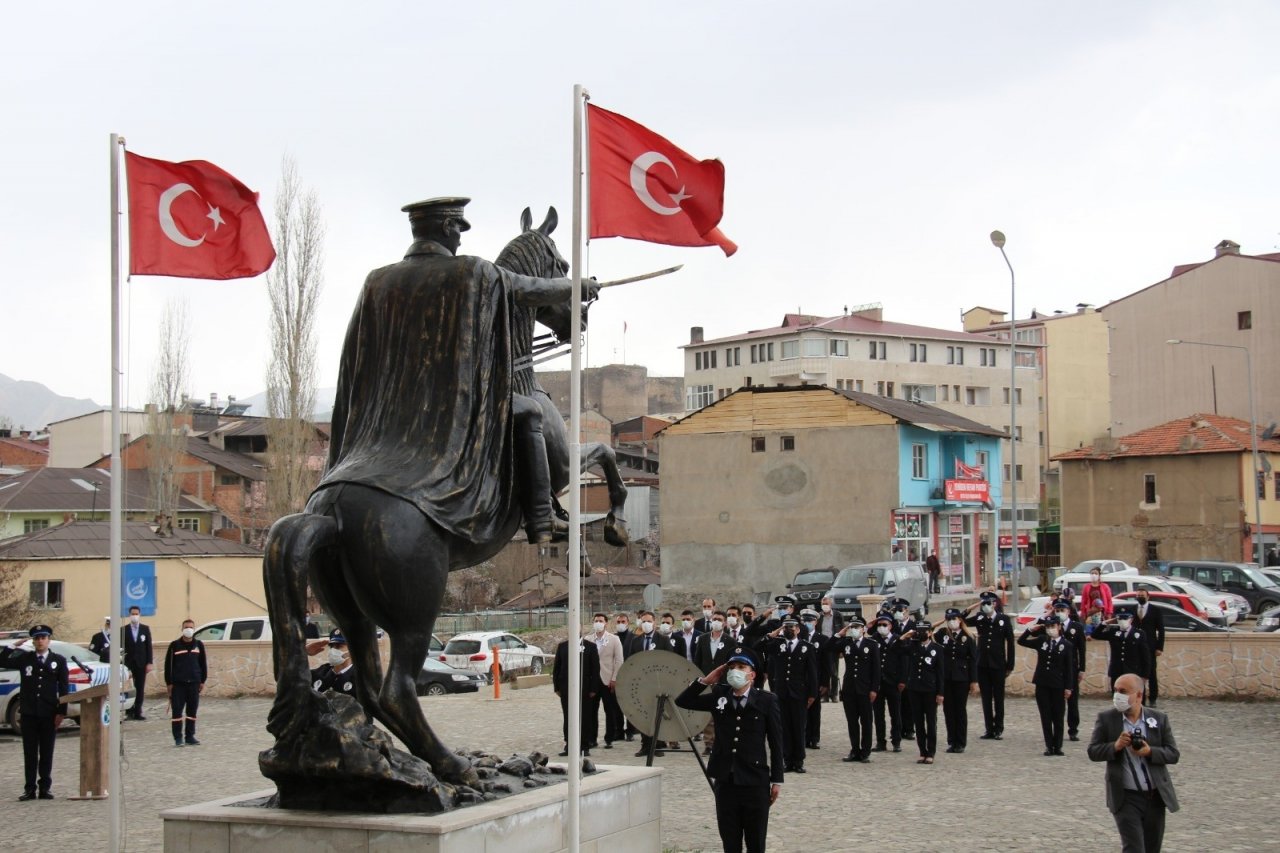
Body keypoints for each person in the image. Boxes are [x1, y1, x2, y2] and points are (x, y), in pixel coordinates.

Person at [675, 646, 784, 853]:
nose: (735, 671)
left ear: (752, 674)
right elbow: (683, 701)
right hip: (725, 780)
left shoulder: (767, 700)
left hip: (754, 781)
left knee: (756, 841)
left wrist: (777, 780)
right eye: (732, 667)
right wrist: (706, 682)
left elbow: (777, 742)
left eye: (741, 667)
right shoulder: (719, 695)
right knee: (730, 841)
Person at [1087, 673, 1180, 852]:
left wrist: (1150, 751)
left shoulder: (1158, 719)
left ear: (1138, 695)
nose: (1117, 695)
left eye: (1123, 691)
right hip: (1126, 797)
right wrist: (1115, 746)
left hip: (1155, 797)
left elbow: (1173, 753)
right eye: (1115, 690)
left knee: (1152, 848)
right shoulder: (1107, 719)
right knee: (1134, 848)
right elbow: (1093, 751)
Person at [12, 625, 68, 800]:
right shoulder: (25, 659)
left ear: (49, 639)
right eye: (37, 638)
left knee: (46, 752)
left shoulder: (58, 660)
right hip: (29, 713)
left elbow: (64, 688)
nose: (40, 641)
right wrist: (14, 646)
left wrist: (61, 712)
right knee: (30, 752)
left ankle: (45, 787)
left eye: (43, 637)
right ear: (33, 641)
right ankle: (29, 788)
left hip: (48, 713)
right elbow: (2, 660)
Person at [761, 616, 818, 772]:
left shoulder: (807, 647)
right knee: (784, 728)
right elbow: (758, 646)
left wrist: (812, 694)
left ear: (798, 629)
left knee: (799, 727)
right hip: (781, 692)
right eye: (785, 628)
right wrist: (775, 633)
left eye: (791, 627)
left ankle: (798, 761)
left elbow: (812, 673)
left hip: (799, 693)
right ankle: (787, 760)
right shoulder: (777, 644)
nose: (788, 630)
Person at [1018, 614, 1077, 756]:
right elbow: (1021, 641)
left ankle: (1058, 746)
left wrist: (1069, 687)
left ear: (1059, 627)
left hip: (1058, 684)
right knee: (1046, 716)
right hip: (1042, 683)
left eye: (1053, 626)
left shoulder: (1067, 645)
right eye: (1048, 626)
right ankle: (1049, 746)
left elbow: (1069, 668)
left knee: (1058, 716)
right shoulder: (1041, 640)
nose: (1050, 629)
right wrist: (1030, 630)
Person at [965, 591, 1016, 740]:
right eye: (983, 604)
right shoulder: (980, 618)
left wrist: (1010, 665)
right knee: (986, 698)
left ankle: (998, 728)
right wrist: (973, 606)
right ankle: (989, 728)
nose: (985, 606)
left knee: (998, 698)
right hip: (982, 664)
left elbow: (1010, 643)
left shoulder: (1003, 619)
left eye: (988, 603)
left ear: (994, 604)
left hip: (998, 664)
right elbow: (962, 619)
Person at [831, 616, 880, 763]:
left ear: (863, 629)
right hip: (850, 689)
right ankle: (854, 749)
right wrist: (840, 633)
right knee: (852, 721)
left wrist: (874, 689)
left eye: (857, 627)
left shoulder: (871, 644)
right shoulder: (846, 643)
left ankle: (865, 751)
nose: (854, 630)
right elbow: (829, 647)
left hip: (865, 689)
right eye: (852, 627)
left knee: (866, 721)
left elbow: (876, 669)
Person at [898, 622, 946, 764]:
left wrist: (940, 693)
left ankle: (930, 752)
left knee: (931, 722)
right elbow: (895, 649)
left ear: (930, 632)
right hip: (915, 689)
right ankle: (922, 751)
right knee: (918, 722)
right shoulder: (913, 646)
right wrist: (904, 636)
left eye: (923, 631)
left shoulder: (937, 649)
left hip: (930, 690)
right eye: (918, 631)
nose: (920, 633)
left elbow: (940, 673)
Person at [934, 608, 978, 753]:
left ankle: (960, 742)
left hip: (961, 678)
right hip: (946, 677)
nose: (952, 622)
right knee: (948, 710)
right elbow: (929, 629)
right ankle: (951, 740)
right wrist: (942, 621)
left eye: (954, 619)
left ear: (960, 620)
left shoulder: (968, 637)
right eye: (949, 619)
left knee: (959, 710)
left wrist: (973, 681)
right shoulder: (943, 634)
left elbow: (973, 660)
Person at [553, 631, 601, 756]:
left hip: (585, 689)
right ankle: (569, 745)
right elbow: (557, 668)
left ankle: (584, 745)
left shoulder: (590, 646)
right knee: (568, 717)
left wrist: (593, 689)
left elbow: (595, 669)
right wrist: (557, 687)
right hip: (566, 689)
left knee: (584, 717)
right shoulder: (562, 646)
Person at [164, 618, 208, 747]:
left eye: (191, 627)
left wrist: (202, 680)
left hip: (194, 683)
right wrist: (169, 683)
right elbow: (168, 665)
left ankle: (190, 736)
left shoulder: (199, 645)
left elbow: (202, 664)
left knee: (192, 711)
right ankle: (178, 737)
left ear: (194, 629)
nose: (188, 630)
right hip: (178, 684)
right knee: (177, 712)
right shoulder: (174, 645)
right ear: (182, 629)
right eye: (186, 627)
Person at [1092, 603, 1151, 690]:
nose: (1123, 620)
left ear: (1131, 619)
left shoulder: (1139, 634)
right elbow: (1095, 635)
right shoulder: (1113, 632)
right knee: (1118, 698)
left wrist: (1145, 675)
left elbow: (1145, 656)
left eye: (1125, 618)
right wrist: (1105, 622)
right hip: (1117, 671)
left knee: (1134, 698)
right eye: (1120, 618)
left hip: (1133, 671)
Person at [588, 613, 624, 751]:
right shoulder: (588, 639)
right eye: (596, 620)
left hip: (608, 679)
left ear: (606, 623)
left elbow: (619, 660)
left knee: (610, 710)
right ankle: (591, 738)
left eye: (600, 621)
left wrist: (614, 678)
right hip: (593, 681)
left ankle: (609, 737)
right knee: (591, 711)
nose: (598, 623)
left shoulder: (614, 639)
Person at [870, 612, 905, 752]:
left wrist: (902, 680)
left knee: (895, 713)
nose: (882, 627)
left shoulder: (897, 639)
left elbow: (904, 662)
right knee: (878, 715)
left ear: (891, 626)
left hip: (893, 681)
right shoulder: (873, 639)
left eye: (885, 625)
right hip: (878, 683)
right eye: (879, 625)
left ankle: (896, 741)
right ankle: (880, 741)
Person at [798, 607, 831, 749]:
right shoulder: (797, 638)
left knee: (814, 710)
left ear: (816, 622)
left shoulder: (822, 639)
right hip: (799, 680)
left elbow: (827, 663)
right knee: (800, 710)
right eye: (804, 620)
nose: (807, 623)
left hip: (815, 680)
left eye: (810, 620)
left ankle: (814, 738)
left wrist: (825, 682)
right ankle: (802, 736)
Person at [1131, 590, 1166, 706]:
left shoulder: (1155, 610)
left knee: (1151, 672)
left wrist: (1159, 647)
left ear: (1148, 597)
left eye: (1142, 596)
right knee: (1138, 673)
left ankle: (1153, 698)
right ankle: (1141, 698)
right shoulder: (1133, 609)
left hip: (1150, 646)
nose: (1140, 597)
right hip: (1136, 646)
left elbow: (1161, 630)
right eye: (1138, 596)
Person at [122, 605, 154, 720]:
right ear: (129, 615)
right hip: (128, 663)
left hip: (141, 663)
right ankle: (129, 710)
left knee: (140, 687)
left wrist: (149, 662)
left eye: (136, 614)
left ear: (139, 615)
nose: (134, 616)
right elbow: (122, 647)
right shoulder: (124, 630)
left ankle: (138, 711)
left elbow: (148, 646)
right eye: (132, 614)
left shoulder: (145, 629)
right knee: (128, 687)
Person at [309, 629, 356, 695]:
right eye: (331, 646)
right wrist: (302, 652)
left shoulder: (360, 678)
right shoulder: (320, 672)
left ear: (352, 650)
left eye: (338, 646)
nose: (333, 650)